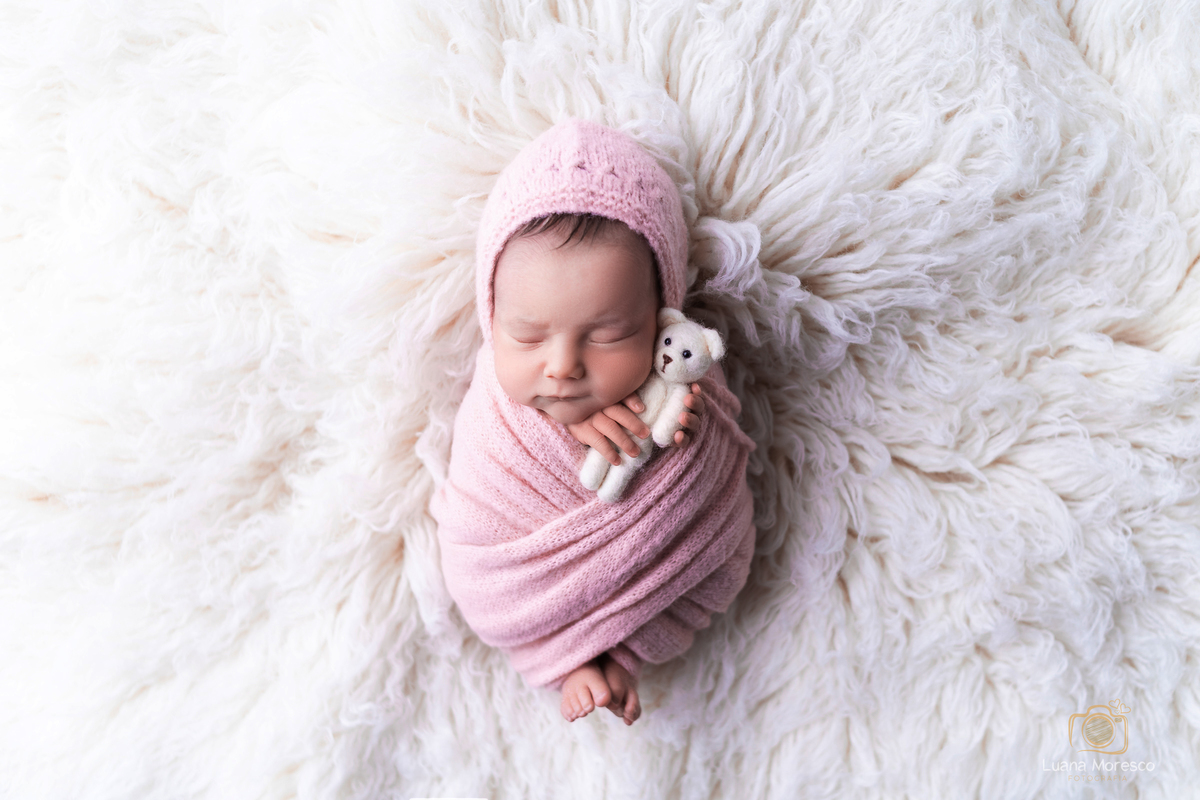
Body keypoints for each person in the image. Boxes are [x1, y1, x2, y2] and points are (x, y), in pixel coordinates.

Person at [431, 119, 756, 727]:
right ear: (492, 316)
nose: (561, 368)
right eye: (526, 335)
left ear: (663, 314)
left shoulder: (683, 375)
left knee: (723, 565)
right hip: (513, 579)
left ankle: (621, 653)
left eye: (608, 336)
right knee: (470, 572)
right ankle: (569, 660)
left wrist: (674, 431)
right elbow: (480, 499)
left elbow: (713, 494)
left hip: (669, 584)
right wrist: (554, 427)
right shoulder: (499, 405)